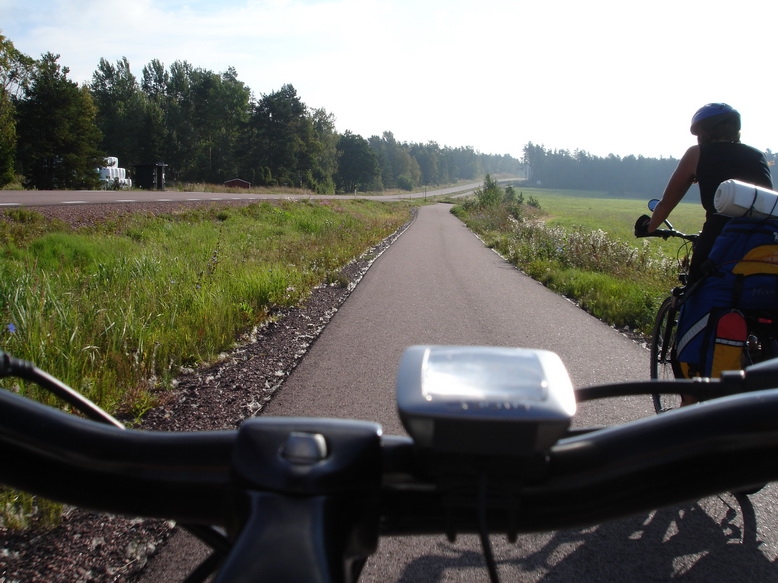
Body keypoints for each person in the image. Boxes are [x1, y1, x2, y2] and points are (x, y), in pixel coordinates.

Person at [635, 103, 773, 281]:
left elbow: (667, 203)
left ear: (704, 132)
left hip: (719, 238)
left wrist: (649, 227)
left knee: (696, 291)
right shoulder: (757, 155)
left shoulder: (697, 153)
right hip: (762, 240)